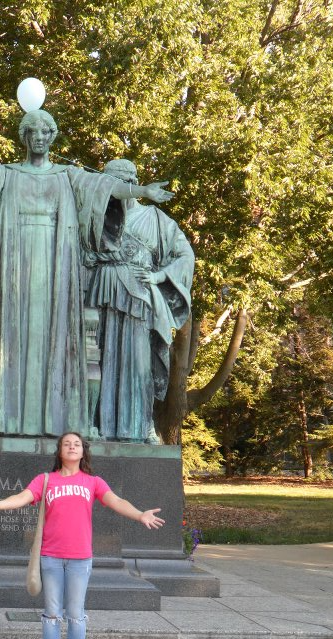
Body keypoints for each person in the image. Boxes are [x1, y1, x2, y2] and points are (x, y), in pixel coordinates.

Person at [0, 110, 173, 438]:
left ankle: (57, 421)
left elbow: (104, 187)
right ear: (25, 137)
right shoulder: (8, 174)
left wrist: (141, 191)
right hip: (14, 264)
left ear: (53, 136)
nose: (40, 137)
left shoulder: (68, 176)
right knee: (12, 335)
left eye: (46, 132)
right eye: (33, 132)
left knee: (55, 337)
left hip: (56, 265)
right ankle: (7, 419)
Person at [0, 431, 165, 639]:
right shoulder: (46, 480)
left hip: (80, 559)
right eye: (67, 444)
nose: (72, 447)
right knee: (52, 614)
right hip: (51, 558)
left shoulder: (93, 482)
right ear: (60, 451)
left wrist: (140, 514)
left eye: (76, 444)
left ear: (83, 451)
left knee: (76, 615)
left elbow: (117, 501)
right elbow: (22, 497)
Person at [84, 159, 194, 443]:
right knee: (97, 357)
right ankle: (93, 423)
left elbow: (185, 255)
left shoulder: (156, 219)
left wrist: (159, 277)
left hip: (138, 294)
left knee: (139, 361)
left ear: (131, 183)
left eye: (118, 184)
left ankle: (143, 424)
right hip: (102, 289)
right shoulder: (94, 217)